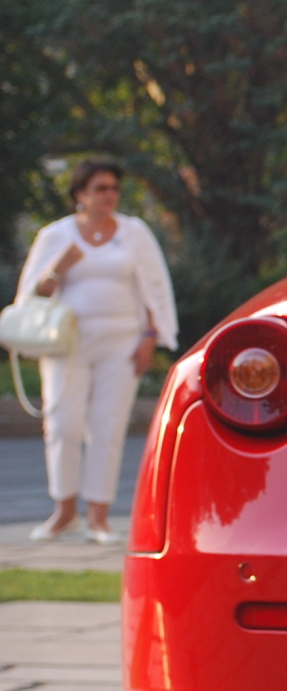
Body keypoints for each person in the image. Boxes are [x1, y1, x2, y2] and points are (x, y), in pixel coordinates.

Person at [13, 160, 178, 543]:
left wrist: (151, 335)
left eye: (113, 188)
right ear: (80, 195)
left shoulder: (135, 233)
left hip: (121, 343)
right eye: (100, 188)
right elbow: (30, 298)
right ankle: (64, 511)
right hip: (66, 344)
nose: (109, 195)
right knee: (63, 425)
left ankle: (98, 517)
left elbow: (154, 286)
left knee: (108, 427)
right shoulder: (55, 235)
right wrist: (59, 269)